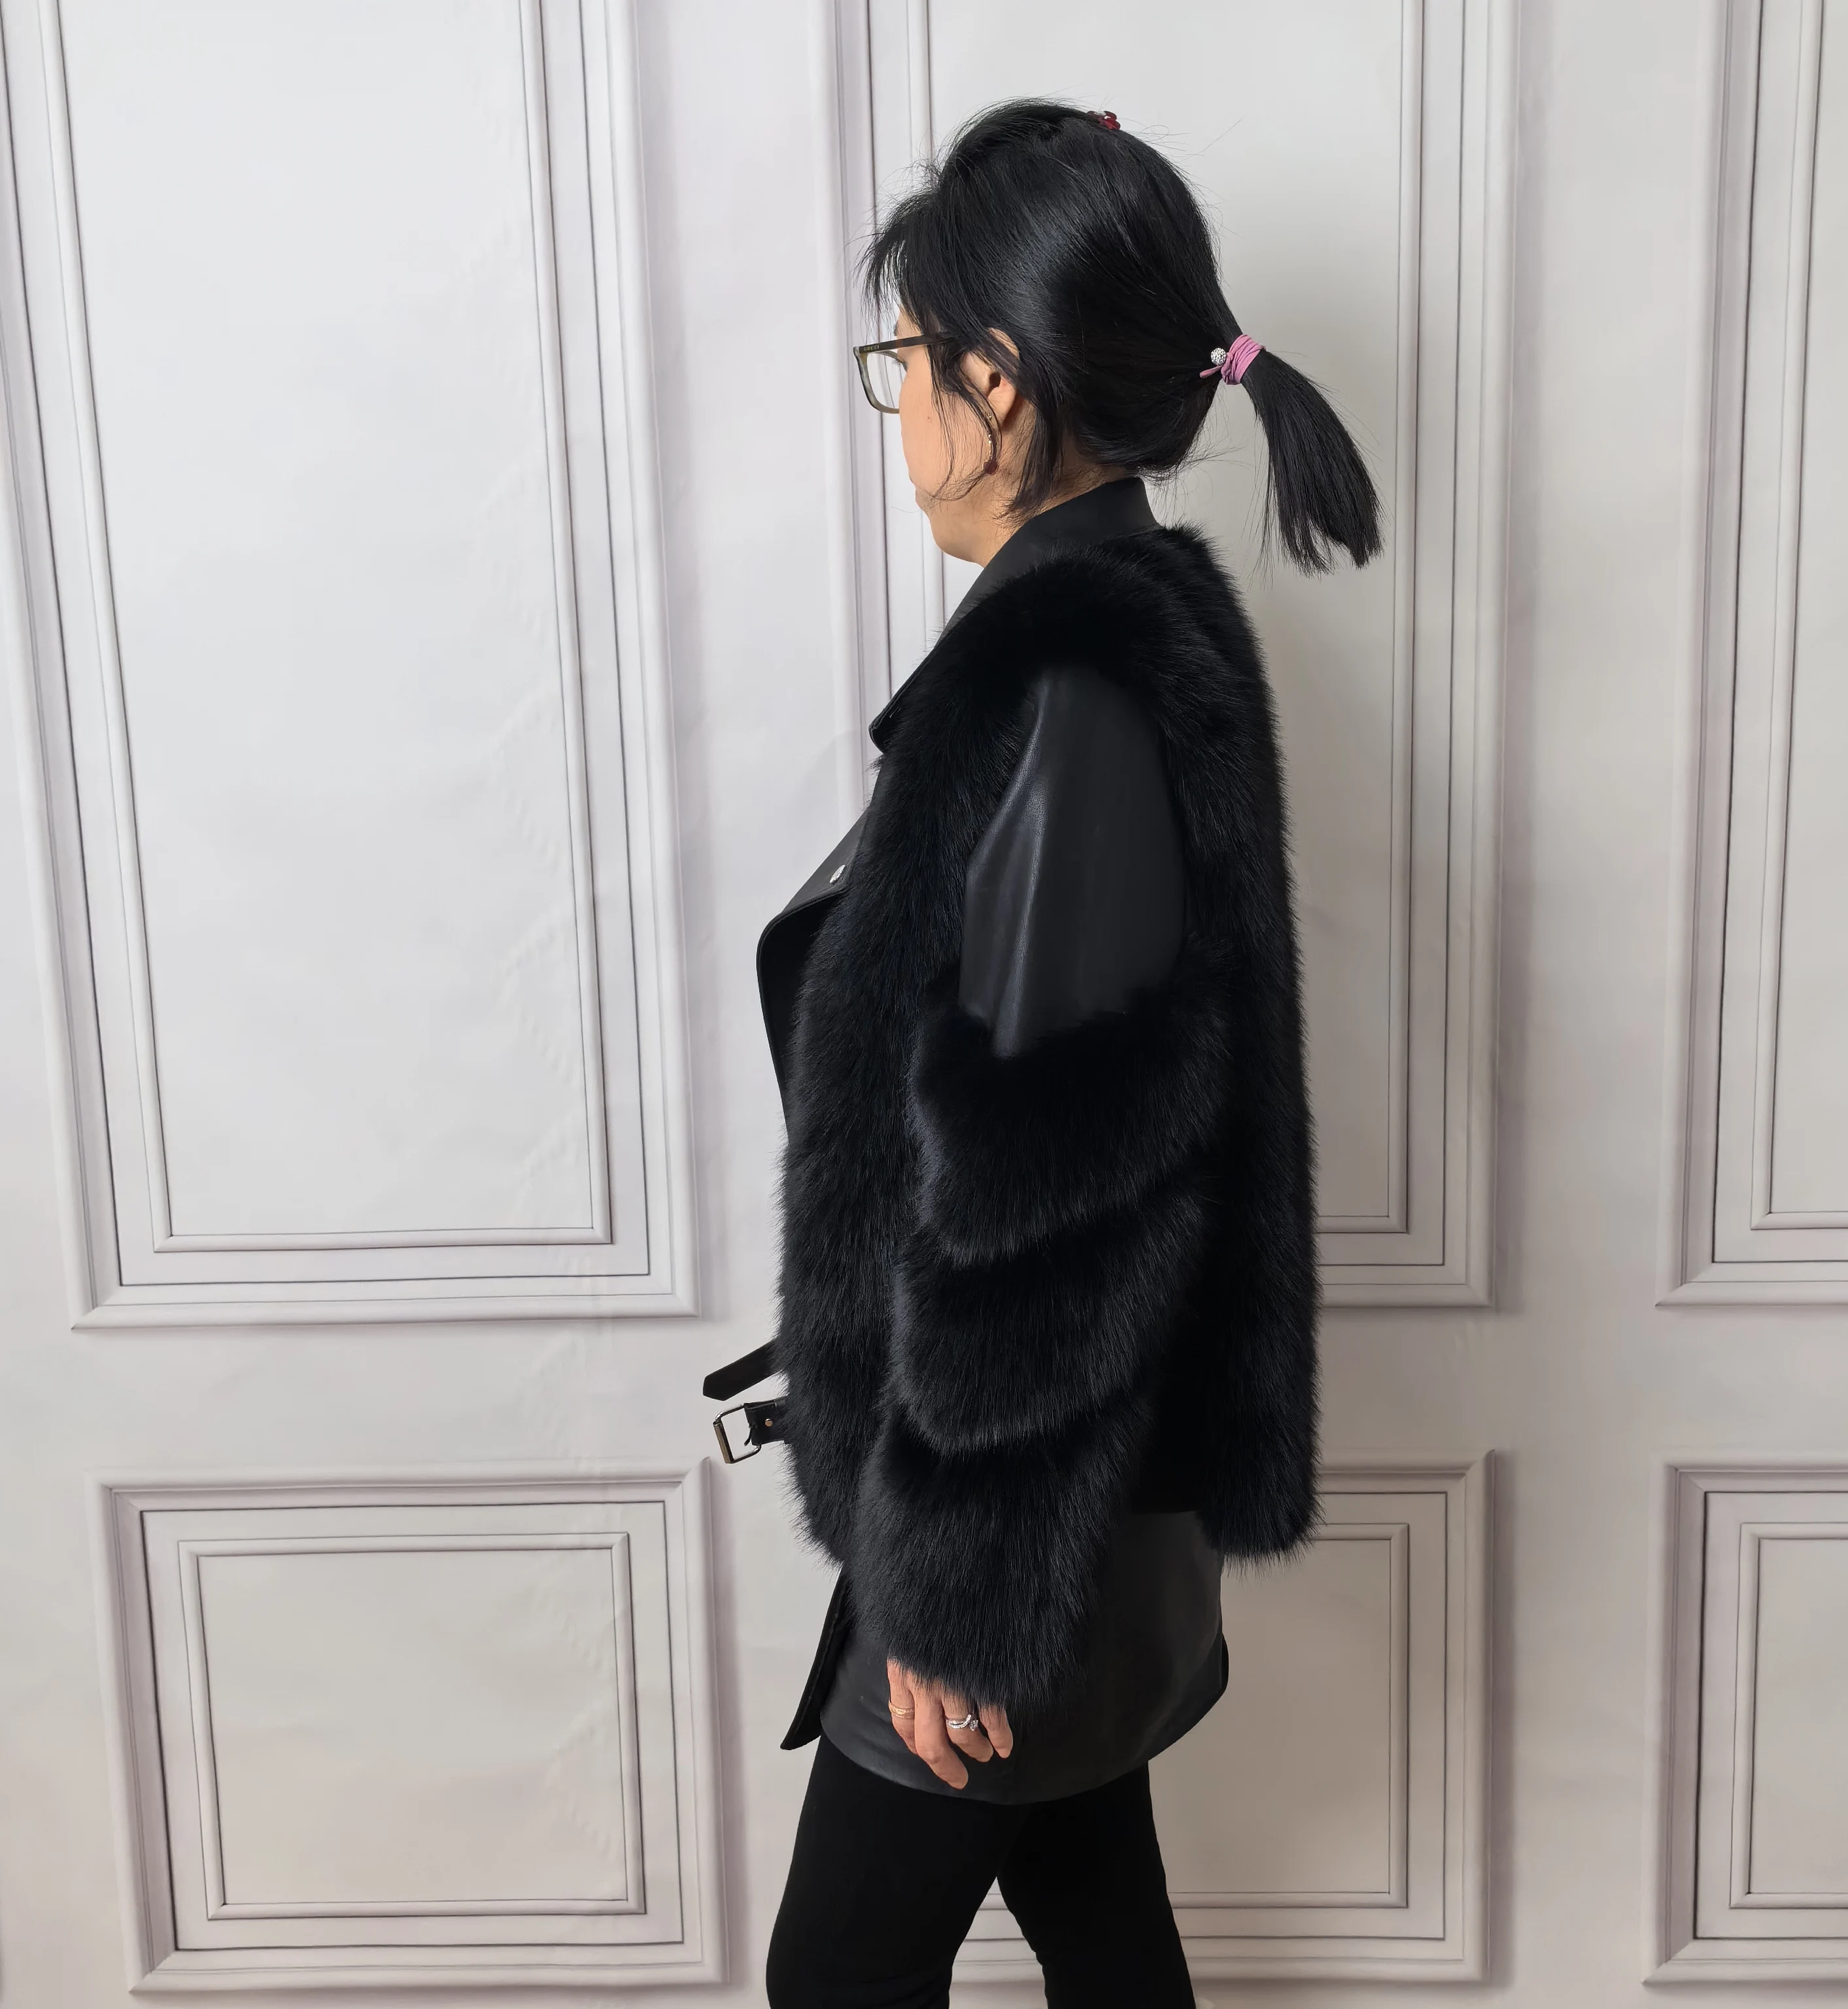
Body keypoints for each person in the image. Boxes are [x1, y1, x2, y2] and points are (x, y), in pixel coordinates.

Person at [754, 99, 1379, 2008]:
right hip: (1060, 1498)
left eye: (907, 366)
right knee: (1104, 1933)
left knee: (836, 1979)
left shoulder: (1070, 680)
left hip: (1022, 1522)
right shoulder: (1114, 637)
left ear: (997, 386)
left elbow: (1057, 1190)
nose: (902, 416)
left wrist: (958, 1595)